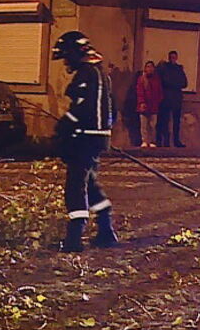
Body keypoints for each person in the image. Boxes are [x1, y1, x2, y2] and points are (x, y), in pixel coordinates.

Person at [51, 31, 119, 252]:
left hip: (84, 136)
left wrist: (63, 128)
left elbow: (80, 109)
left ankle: (74, 239)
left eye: (66, 57)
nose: (66, 62)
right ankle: (106, 230)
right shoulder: (101, 73)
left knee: (75, 185)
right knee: (89, 184)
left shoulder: (85, 74)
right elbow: (111, 107)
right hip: (97, 136)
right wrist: (104, 131)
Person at [157, 50, 188, 147]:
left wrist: (173, 84)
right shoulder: (165, 69)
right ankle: (165, 141)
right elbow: (164, 81)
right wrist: (175, 84)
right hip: (166, 99)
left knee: (176, 121)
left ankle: (176, 140)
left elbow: (184, 83)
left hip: (176, 99)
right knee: (165, 120)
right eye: (171, 57)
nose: (173, 59)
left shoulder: (179, 69)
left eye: (174, 57)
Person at [136, 61, 163, 148]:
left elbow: (159, 92)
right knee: (144, 125)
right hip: (144, 105)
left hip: (154, 106)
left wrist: (158, 101)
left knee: (152, 125)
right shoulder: (141, 79)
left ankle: (152, 141)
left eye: (151, 67)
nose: (149, 69)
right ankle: (144, 140)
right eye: (147, 67)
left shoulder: (157, 80)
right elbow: (139, 92)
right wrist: (141, 102)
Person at [122, 70, 143, 148]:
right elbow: (128, 102)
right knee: (134, 132)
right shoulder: (133, 89)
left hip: (139, 113)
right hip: (133, 114)